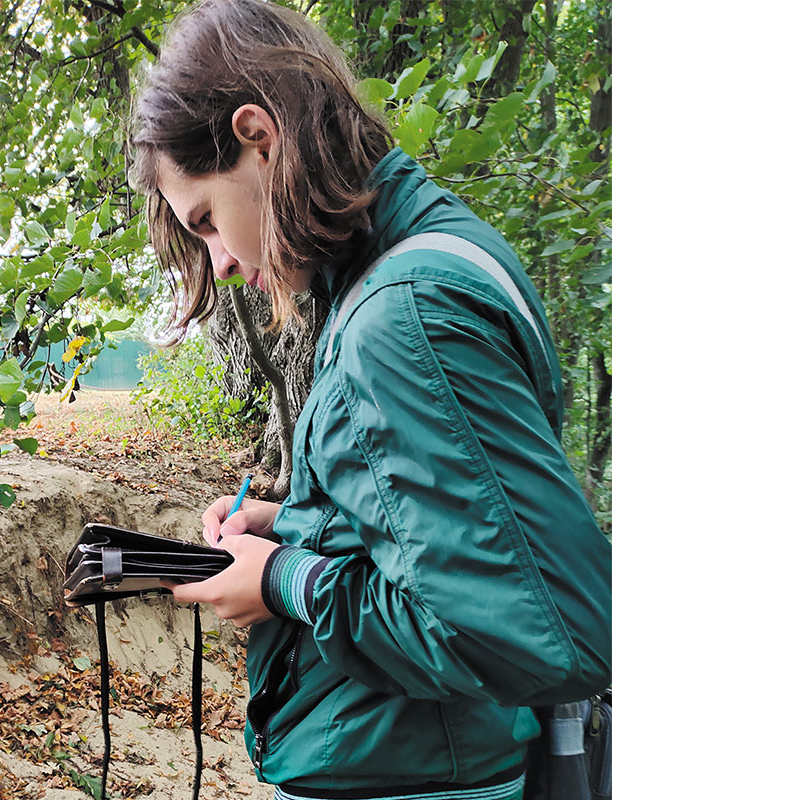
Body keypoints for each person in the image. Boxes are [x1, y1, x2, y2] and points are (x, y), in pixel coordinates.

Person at [127, 1, 612, 798]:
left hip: (413, 774)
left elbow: (542, 633)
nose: (216, 263)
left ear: (259, 135)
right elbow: (450, 530)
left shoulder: (401, 314)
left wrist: (283, 578)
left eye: (208, 220)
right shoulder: (423, 256)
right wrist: (287, 522)